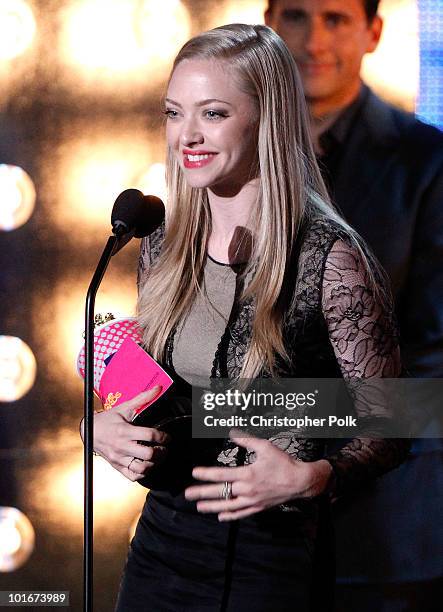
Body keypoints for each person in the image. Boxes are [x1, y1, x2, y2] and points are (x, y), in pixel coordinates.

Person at [83, 24, 410, 611]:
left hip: (273, 558)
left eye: (212, 114)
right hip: (162, 543)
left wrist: (315, 477)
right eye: (174, 113)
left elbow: (396, 417)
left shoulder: (329, 257)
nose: (187, 135)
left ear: (266, 119)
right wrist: (101, 427)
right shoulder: (162, 238)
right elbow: (164, 395)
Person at [264, 1, 443, 610]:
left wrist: (283, 419)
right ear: (269, 23)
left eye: (336, 18)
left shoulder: (428, 162)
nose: (314, 39)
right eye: (296, 15)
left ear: (373, 32)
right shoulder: (220, 150)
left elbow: (433, 366)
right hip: (245, 522)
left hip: (383, 522)